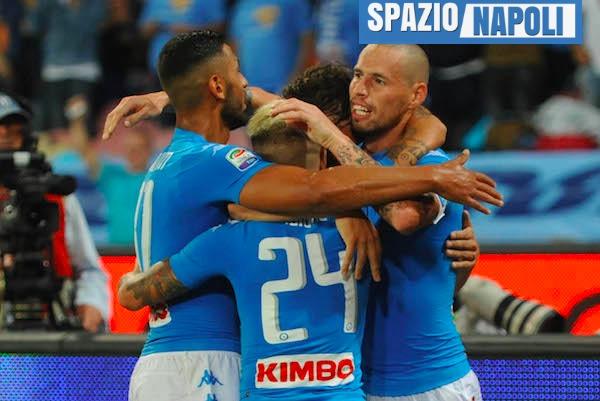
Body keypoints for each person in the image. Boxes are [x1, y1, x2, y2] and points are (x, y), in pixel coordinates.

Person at [112, 31, 501, 401]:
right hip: (358, 384)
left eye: (378, 81)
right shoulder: (352, 183)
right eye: (359, 75)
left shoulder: (422, 166)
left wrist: (333, 146)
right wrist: (175, 96)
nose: (361, 88)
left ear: (417, 95)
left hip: (429, 381)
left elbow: (402, 215)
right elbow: (300, 157)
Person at [119, 105, 373, 401]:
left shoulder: (229, 238)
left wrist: (129, 280)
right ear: (320, 157)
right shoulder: (364, 227)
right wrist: (349, 207)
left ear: (258, 167)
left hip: (264, 393)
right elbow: (399, 206)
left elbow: (134, 296)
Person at [0, 92, 109, 332]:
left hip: (52, 325)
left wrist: (91, 303)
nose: (5, 133)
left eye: (12, 127)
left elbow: (89, 270)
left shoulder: (55, 197)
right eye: (0, 127)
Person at [66, 95, 151, 246]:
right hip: (117, 251)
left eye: (138, 148)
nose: (134, 153)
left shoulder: (158, 178)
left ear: (148, 150)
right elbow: (83, 150)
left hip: (149, 252)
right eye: (130, 149)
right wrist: (76, 117)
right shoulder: (112, 176)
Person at [229, 0, 314, 93]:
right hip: (251, 89)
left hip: (285, 89)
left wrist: (295, 80)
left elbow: (308, 41)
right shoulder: (242, 6)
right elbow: (235, 46)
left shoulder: (295, 3)